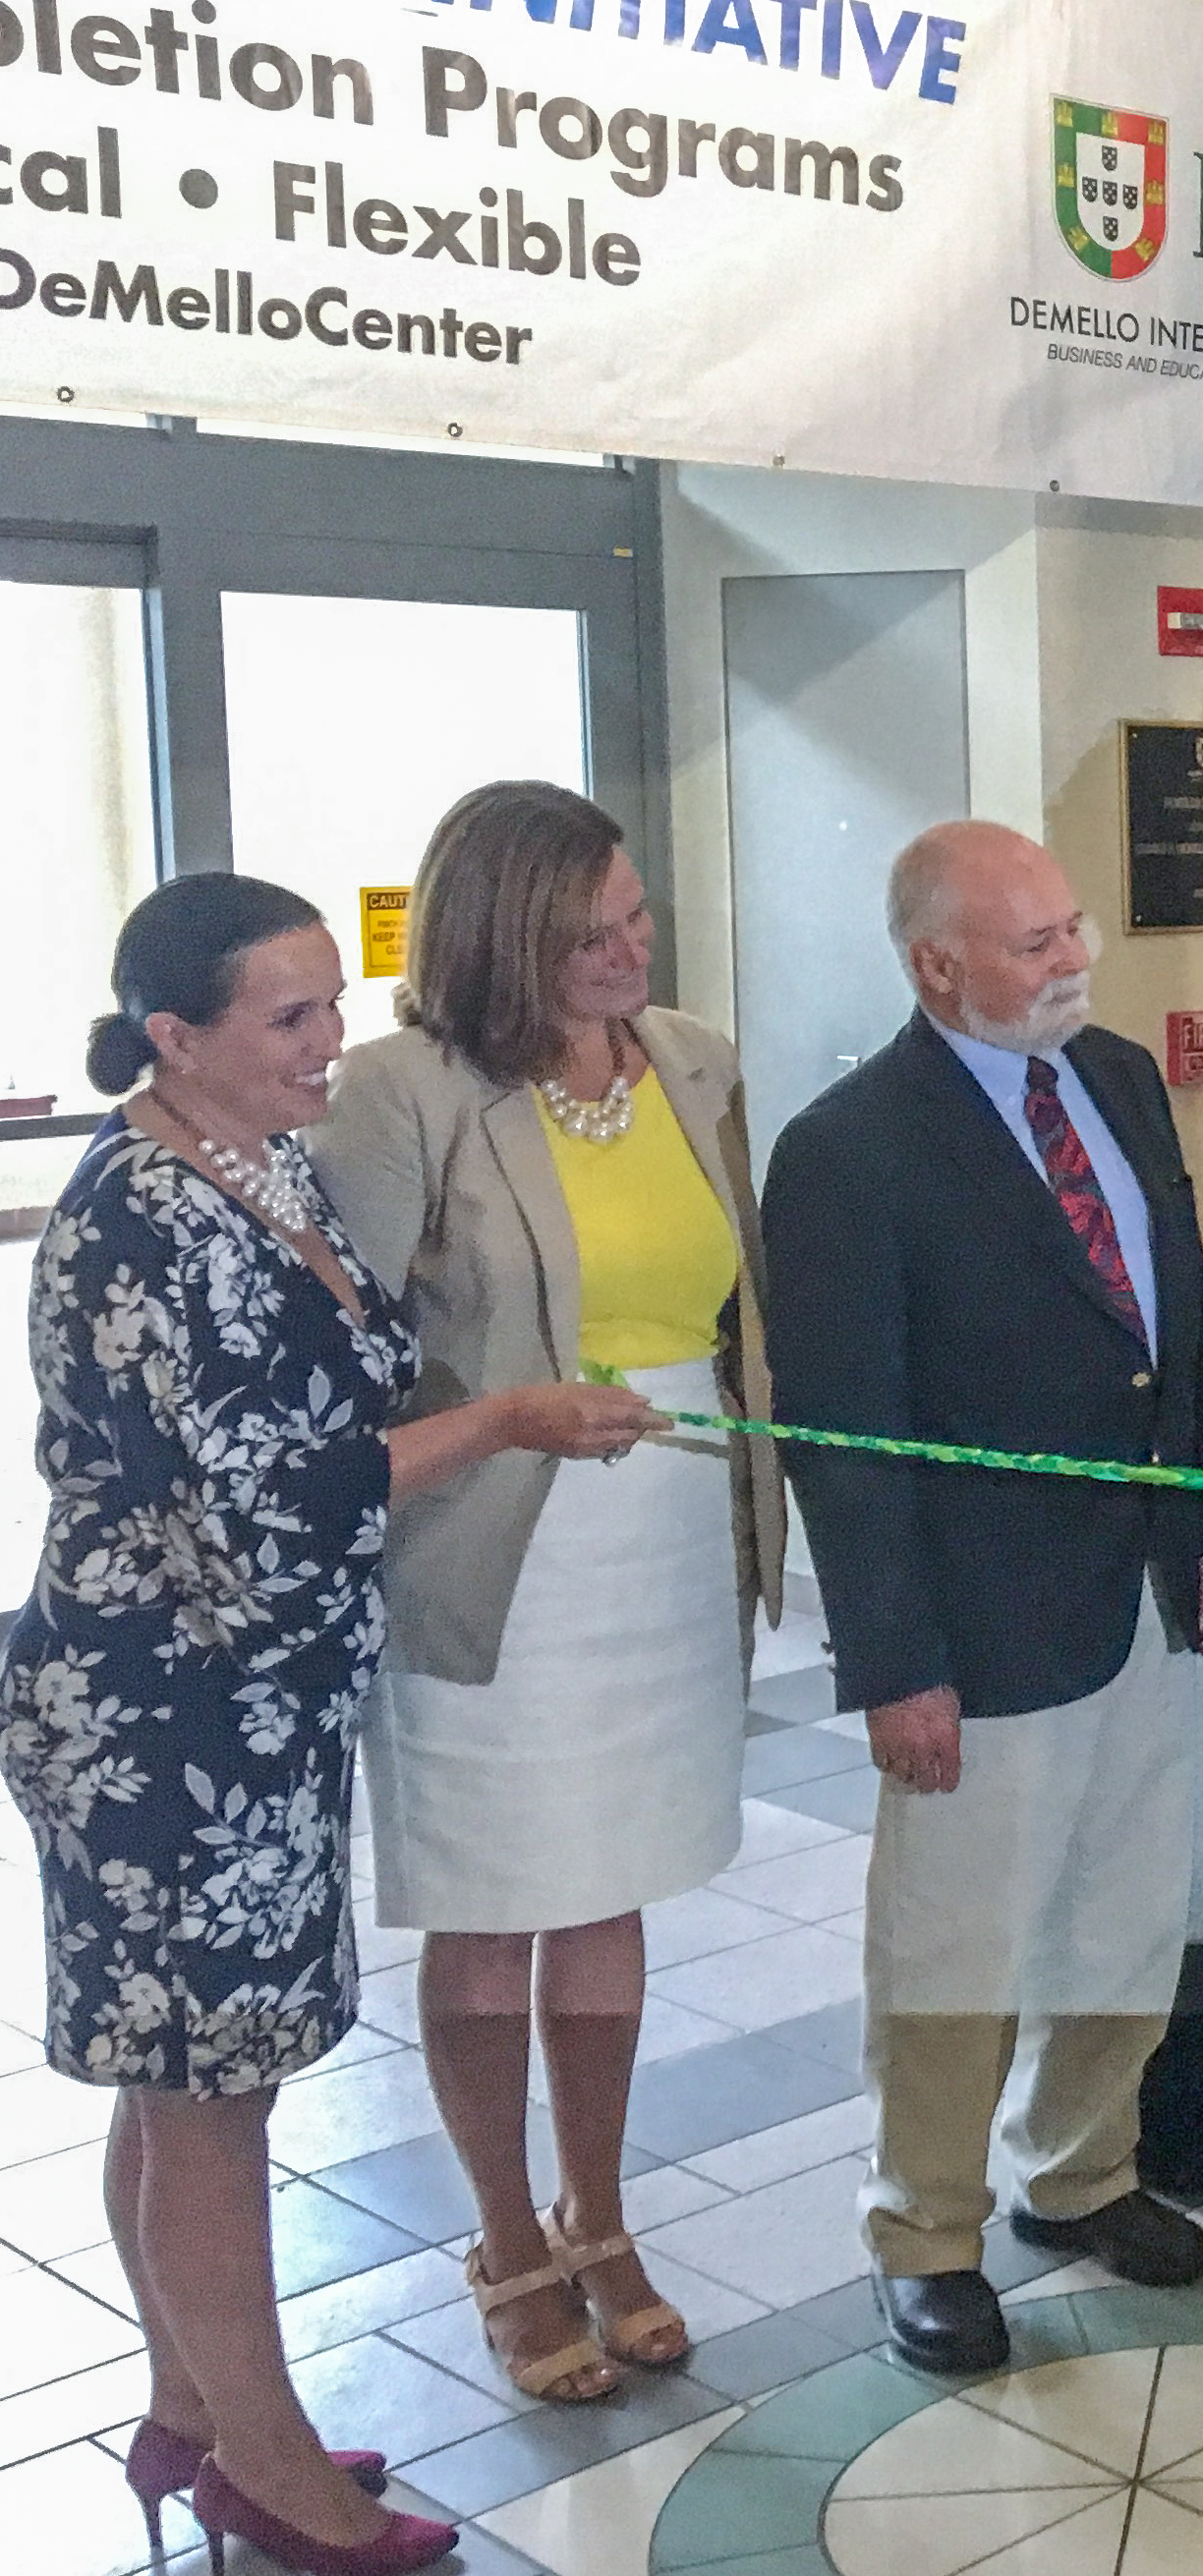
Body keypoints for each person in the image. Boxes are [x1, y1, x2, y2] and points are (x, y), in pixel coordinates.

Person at [4, 876, 655, 2576]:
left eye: (330, 1003)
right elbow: (259, 1495)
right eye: (288, 1018)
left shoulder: (264, 1160)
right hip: (161, 1717)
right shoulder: (139, 1211)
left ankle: (190, 2405)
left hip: (263, 1699)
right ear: (173, 1038)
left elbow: (349, 1380)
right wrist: (512, 1417)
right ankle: (272, 2468)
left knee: (182, 2090)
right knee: (212, 2097)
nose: (331, 1044)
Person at [305, 784, 782, 2407]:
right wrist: (508, 1412)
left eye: (638, 918)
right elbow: (345, 1366)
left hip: (657, 1536)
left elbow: (738, 1300)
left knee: (609, 1886)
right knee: (492, 1905)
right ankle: (506, 2237)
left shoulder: (692, 1058)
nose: (630, 954)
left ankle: (603, 2210)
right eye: (591, 936)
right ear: (501, 936)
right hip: (490, 1545)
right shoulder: (399, 1094)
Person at [764, 822, 1203, 2377]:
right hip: (976, 1631)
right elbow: (839, 1441)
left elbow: (1180, 1319)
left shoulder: (1109, 1075)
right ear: (934, 965)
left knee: (1126, 1908)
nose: (1073, 960)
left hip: (1140, 1589)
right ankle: (927, 2231)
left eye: (1071, 926)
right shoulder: (848, 1148)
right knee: (954, 1946)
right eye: (1034, 942)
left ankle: (1081, 2172)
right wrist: (893, 1661)